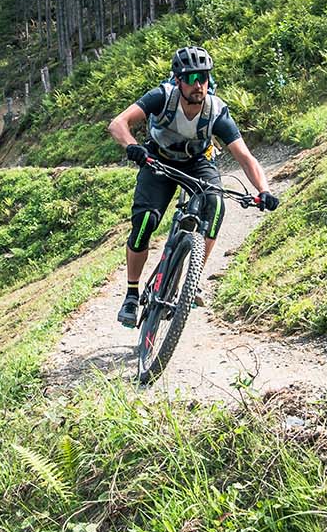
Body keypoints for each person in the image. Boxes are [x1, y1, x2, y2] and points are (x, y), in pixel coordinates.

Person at [107, 46, 279, 327]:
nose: (198, 84)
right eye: (191, 78)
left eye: (204, 77)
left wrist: (264, 191)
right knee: (145, 222)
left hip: (197, 161)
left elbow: (245, 157)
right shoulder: (162, 96)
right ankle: (131, 293)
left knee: (215, 204)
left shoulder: (216, 111)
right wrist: (133, 146)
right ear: (178, 80)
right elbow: (118, 124)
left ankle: (192, 278)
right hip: (158, 161)